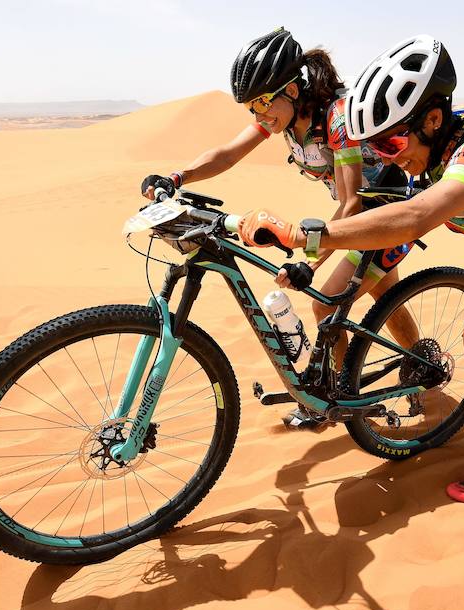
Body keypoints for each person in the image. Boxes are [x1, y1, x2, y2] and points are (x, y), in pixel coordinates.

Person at [237, 34, 464, 502]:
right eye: (379, 148)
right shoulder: (427, 153)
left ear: (432, 119)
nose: (390, 159)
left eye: (392, 143)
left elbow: (415, 217)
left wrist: (302, 238)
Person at [141, 28, 418, 429]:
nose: (258, 115)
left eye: (262, 103)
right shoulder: (280, 119)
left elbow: (352, 202)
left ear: (291, 90)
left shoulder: (337, 118)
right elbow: (226, 155)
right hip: (356, 217)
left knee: (326, 302)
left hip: (390, 212)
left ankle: (344, 395)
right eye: (251, 107)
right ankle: (423, 364)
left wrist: (311, 261)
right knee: (385, 291)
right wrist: (177, 177)